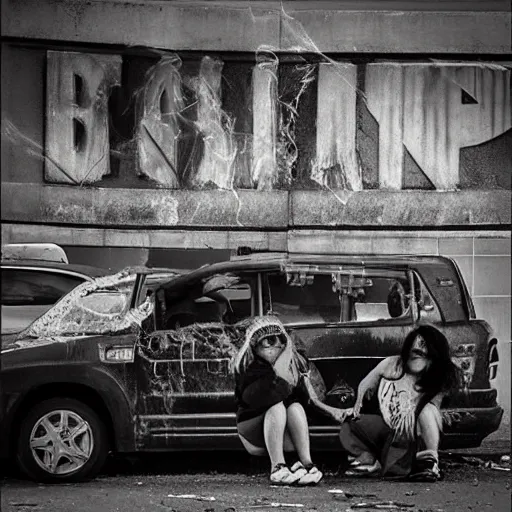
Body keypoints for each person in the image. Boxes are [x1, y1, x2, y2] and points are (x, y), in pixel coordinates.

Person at [338, 325, 459, 481]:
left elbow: (435, 405)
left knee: (427, 412)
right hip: (389, 428)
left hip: (417, 434)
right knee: (351, 424)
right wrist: (357, 406)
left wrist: (412, 409)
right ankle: (368, 462)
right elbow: (365, 384)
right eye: (413, 351)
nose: (415, 354)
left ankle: (429, 463)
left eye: (422, 352)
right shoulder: (393, 364)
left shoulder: (441, 377)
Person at [231, 316, 326, 486]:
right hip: (253, 426)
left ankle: (307, 463)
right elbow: (265, 397)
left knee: (295, 407)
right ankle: (277, 466)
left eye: (280, 341)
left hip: (279, 429)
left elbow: (302, 400)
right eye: (267, 342)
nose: (275, 346)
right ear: (255, 346)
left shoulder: (291, 365)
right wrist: (281, 368)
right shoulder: (250, 368)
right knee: (276, 406)